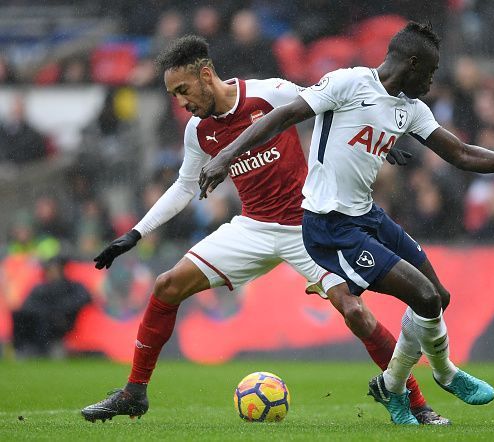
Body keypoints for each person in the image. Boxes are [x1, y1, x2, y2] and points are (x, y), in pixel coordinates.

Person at [81, 35, 448, 425]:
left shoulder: (269, 92)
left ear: (206, 75)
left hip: (309, 227)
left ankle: (417, 403)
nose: (182, 102)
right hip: (252, 227)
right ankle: (134, 392)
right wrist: (136, 233)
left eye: (183, 90)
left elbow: (330, 103)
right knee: (166, 286)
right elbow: (185, 186)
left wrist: (374, 134)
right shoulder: (197, 131)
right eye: (174, 95)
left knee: (355, 311)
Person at [199, 22, 494, 425]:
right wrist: (226, 155)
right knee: (424, 298)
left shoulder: (411, 109)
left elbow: (460, 154)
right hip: (330, 227)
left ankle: (390, 386)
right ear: (413, 63)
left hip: (368, 216)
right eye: (431, 72)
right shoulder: (349, 83)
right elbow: (284, 116)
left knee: (438, 296)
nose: (433, 81)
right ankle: (444, 373)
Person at [12, 256, 92, 358]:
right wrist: (47, 310)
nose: (52, 273)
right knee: (21, 315)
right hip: (42, 321)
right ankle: (25, 348)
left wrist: (59, 309)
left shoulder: (72, 287)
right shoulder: (40, 289)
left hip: (64, 323)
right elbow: (27, 306)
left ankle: (50, 348)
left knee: (51, 318)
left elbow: (83, 299)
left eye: (55, 270)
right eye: (50, 270)